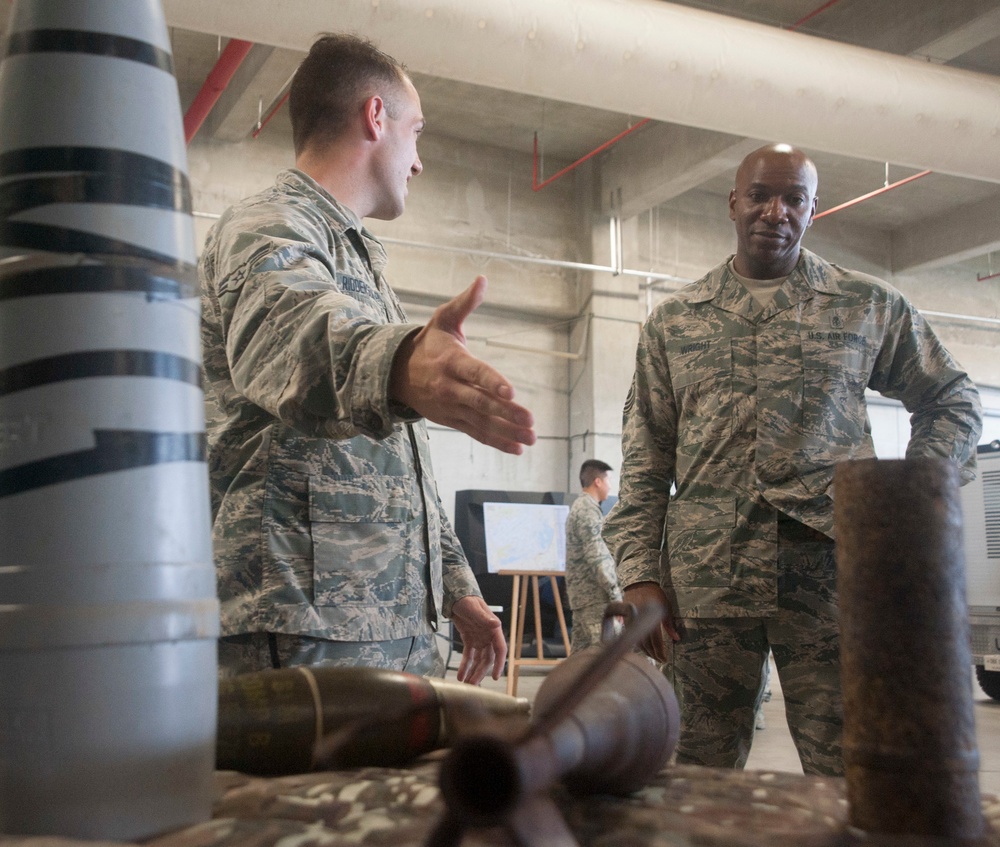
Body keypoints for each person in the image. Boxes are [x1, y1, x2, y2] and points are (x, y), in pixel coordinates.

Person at [603, 143, 982, 776]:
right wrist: (640, 574)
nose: (775, 212)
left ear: (812, 210)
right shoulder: (675, 323)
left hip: (831, 574)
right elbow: (646, 456)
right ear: (733, 201)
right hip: (707, 583)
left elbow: (952, 399)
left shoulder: (863, 305)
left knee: (850, 768)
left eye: (794, 199)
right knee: (697, 769)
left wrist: (908, 499)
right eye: (760, 195)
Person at [200, 34, 536, 685]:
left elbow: (396, 466)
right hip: (301, 628)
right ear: (375, 118)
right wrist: (400, 362)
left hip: (387, 624)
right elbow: (290, 333)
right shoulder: (267, 226)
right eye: (416, 132)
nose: (418, 161)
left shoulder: (360, 260)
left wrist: (455, 585)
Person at [564, 460, 623, 652]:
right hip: (595, 599)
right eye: (608, 481)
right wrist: (616, 597)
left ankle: (566, 684)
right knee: (606, 659)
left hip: (583, 597)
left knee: (579, 662)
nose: (610, 486)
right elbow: (598, 559)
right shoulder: (587, 511)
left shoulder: (581, 507)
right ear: (597, 482)